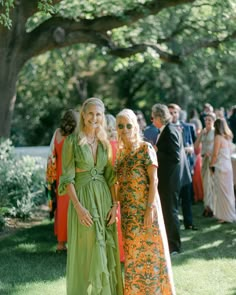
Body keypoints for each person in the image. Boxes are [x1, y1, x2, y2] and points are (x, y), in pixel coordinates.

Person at [58, 98, 123, 295]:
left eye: (98, 114)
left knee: (104, 248)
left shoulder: (105, 143)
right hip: (83, 201)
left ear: (102, 117)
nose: (94, 118)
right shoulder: (71, 142)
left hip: (104, 200)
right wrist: (78, 207)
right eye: (91, 114)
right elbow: (67, 178)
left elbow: (111, 176)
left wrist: (115, 205)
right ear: (83, 115)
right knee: (87, 252)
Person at [115, 108, 176, 295]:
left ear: (135, 126)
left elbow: (154, 180)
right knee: (133, 257)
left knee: (152, 256)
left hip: (146, 211)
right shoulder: (121, 154)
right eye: (120, 126)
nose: (124, 129)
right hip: (128, 215)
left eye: (128, 125)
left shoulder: (145, 148)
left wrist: (150, 209)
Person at [46, 109, 78, 252]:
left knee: (61, 208)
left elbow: (51, 154)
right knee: (74, 207)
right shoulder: (77, 135)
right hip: (73, 176)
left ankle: (60, 243)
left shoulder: (57, 134)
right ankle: (74, 241)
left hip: (60, 176)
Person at [151, 104, 182, 254]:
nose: (152, 120)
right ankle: (169, 244)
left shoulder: (169, 130)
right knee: (168, 212)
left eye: (153, 117)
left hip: (169, 180)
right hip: (167, 179)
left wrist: (157, 151)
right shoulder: (167, 129)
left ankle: (174, 246)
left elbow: (175, 156)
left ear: (159, 117)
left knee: (171, 212)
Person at [168, 103, 197, 230]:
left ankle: (189, 223)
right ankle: (174, 224)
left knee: (187, 197)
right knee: (174, 199)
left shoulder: (187, 127)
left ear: (179, 113)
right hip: (173, 169)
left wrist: (190, 149)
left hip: (186, 166)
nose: (173, 115)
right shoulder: (165, 129)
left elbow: (192, 145)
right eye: (171, 112)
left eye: (175, 112)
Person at [105, 113, 125, 263]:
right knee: (120, 216)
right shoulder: (120, 142)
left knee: (113, 215)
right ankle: (122, 252)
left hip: (109, 183)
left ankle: (115, 252)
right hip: (122, 183)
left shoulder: (104, 145)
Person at [209, 118, 236, 223]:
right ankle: (229, 214)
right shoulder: (228, 137)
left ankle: (224, 216)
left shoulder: (218, 137)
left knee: (221, 192)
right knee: (228, 192)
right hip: (228, 166)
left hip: (221, 167)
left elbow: (215, 154)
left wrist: (211, 165)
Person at [194, 112, 216, 217]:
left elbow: (218, 147)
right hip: (204, 159)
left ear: (213, 121)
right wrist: (200, 135)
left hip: (212, 160)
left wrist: (211, 154)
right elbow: (196, 146)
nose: (207, 122)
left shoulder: (215, 132)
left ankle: (211, 207)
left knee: (211, 184)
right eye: (206, 120)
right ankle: (207, 206)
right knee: (205, 184)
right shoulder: (204, 132)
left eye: (209, 120)